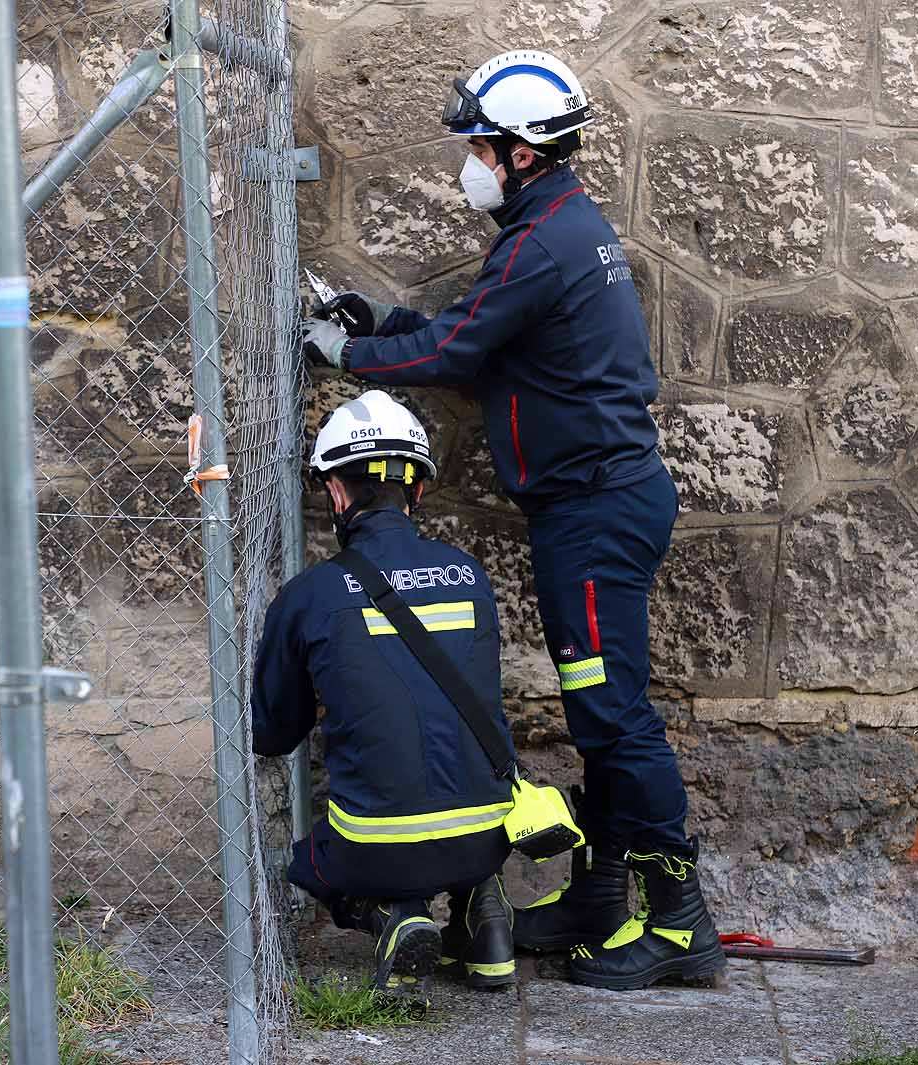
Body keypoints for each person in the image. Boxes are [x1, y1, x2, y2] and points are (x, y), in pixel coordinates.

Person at [299, 50, 725, 991]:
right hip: (596, 504)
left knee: (614, 716)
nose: (470, 163)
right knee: (600, 709)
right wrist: (374, 320)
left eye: (479, 146)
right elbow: (477, 330)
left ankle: (680, 920)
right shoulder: (551, 228)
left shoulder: (544, 242)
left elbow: (457, 349)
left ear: (522, 152)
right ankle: (602, 896)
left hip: (594, 511)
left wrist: (347, 352)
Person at [251, 389, 519, 997]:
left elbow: (269, 734)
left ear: (337, 493)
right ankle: (486, 917)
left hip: (377, 852)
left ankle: (396, 915)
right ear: (418, 491)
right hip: (488, 837)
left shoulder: (309, 595)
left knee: (309, 861)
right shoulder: (469, 576)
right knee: (450, 803)